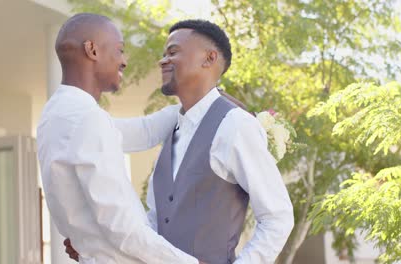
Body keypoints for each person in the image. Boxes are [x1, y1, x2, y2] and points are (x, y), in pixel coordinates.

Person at [65, 19, 294, 264]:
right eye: (164, 54)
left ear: (209, 58)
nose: (163, 61)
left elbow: (277, 217)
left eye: (173, 52)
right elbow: (153, 226)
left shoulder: (236, 126)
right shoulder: (172, 126)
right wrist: (97, 247)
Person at [37, 13, 205, 264]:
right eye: (120, 50)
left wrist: (207, 102)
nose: (124, 61)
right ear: (92, 50)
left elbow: (143, 131)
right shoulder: (85, 119)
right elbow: (123, 228)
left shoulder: (56, 115)